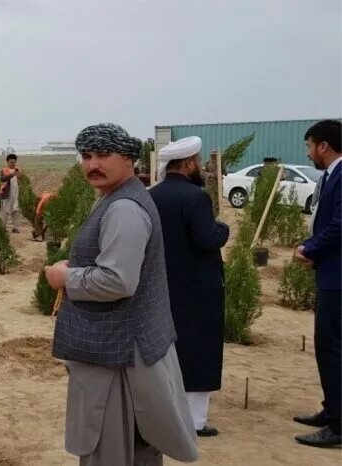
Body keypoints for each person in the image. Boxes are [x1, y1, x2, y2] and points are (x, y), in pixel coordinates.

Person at [45, 123, 198, 465]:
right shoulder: (117, 198)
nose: (92, 164)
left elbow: (117, 281)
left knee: (111, 450)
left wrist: (65, 278)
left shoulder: (124, 209)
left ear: (128, 158)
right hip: (122, 349)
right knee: (135, 450)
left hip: (117, 355)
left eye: (103, 154)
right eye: (86, 156)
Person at [150, 136, 230, 437]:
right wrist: (224, 229)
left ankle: (165, 411)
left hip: (164, 285)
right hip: (199, 288)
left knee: (169, 348)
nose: (198, 167)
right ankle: (195, 420)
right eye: (196, 162)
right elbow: (207, 238)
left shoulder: (152, 195)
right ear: (187, 164)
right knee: (200, 349)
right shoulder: (196, 197)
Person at [293, 119, 341, 448]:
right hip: (330, 270)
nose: (309, 152)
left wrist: (310, 249)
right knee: (329, 347)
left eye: (310, 146)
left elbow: (340, 225)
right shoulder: (332, 176)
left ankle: (338, 425)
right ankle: (332, 409)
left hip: (337, 277)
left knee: (332, 347)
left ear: (323, 146)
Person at [0, 152, 22, 233]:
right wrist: (11, 175)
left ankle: (16, 227)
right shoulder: (4, 170)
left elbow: (21, 180)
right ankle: (2, 227)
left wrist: (19, 176)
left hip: (16, 194)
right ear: (7, 162)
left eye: (14, 162)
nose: (13, 164)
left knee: (16, 210)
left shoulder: (18, 170)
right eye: (11, 162)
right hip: (6, 194)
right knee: (5, 210)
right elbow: (2, 179)